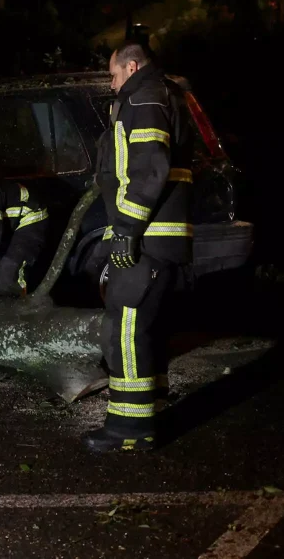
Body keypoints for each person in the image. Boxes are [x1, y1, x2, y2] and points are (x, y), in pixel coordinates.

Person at [85, 42, 194, 453]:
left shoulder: (144, 97)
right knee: (146, 323)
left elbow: (149, 166)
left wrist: (128, 227)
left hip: (148, 232)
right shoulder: (157, 95)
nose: (112, 84)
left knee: (127, 323)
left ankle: (129, 429)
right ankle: (149, 407)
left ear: (131, 66)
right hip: (156, 232)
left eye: (113, 75)